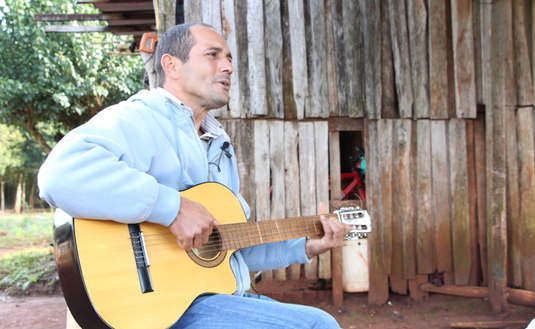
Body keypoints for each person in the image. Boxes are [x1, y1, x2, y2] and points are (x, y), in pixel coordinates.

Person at [38, 22, 349, 328]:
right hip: (163, 307)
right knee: (315, 325)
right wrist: (172, 208)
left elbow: (228, 247)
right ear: (171, 64)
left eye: (229, 58)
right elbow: (59, 174)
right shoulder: (139, 118)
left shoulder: (218, 144)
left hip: (217, 297)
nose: (228, 66)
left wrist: (305, 246)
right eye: (213, 55)